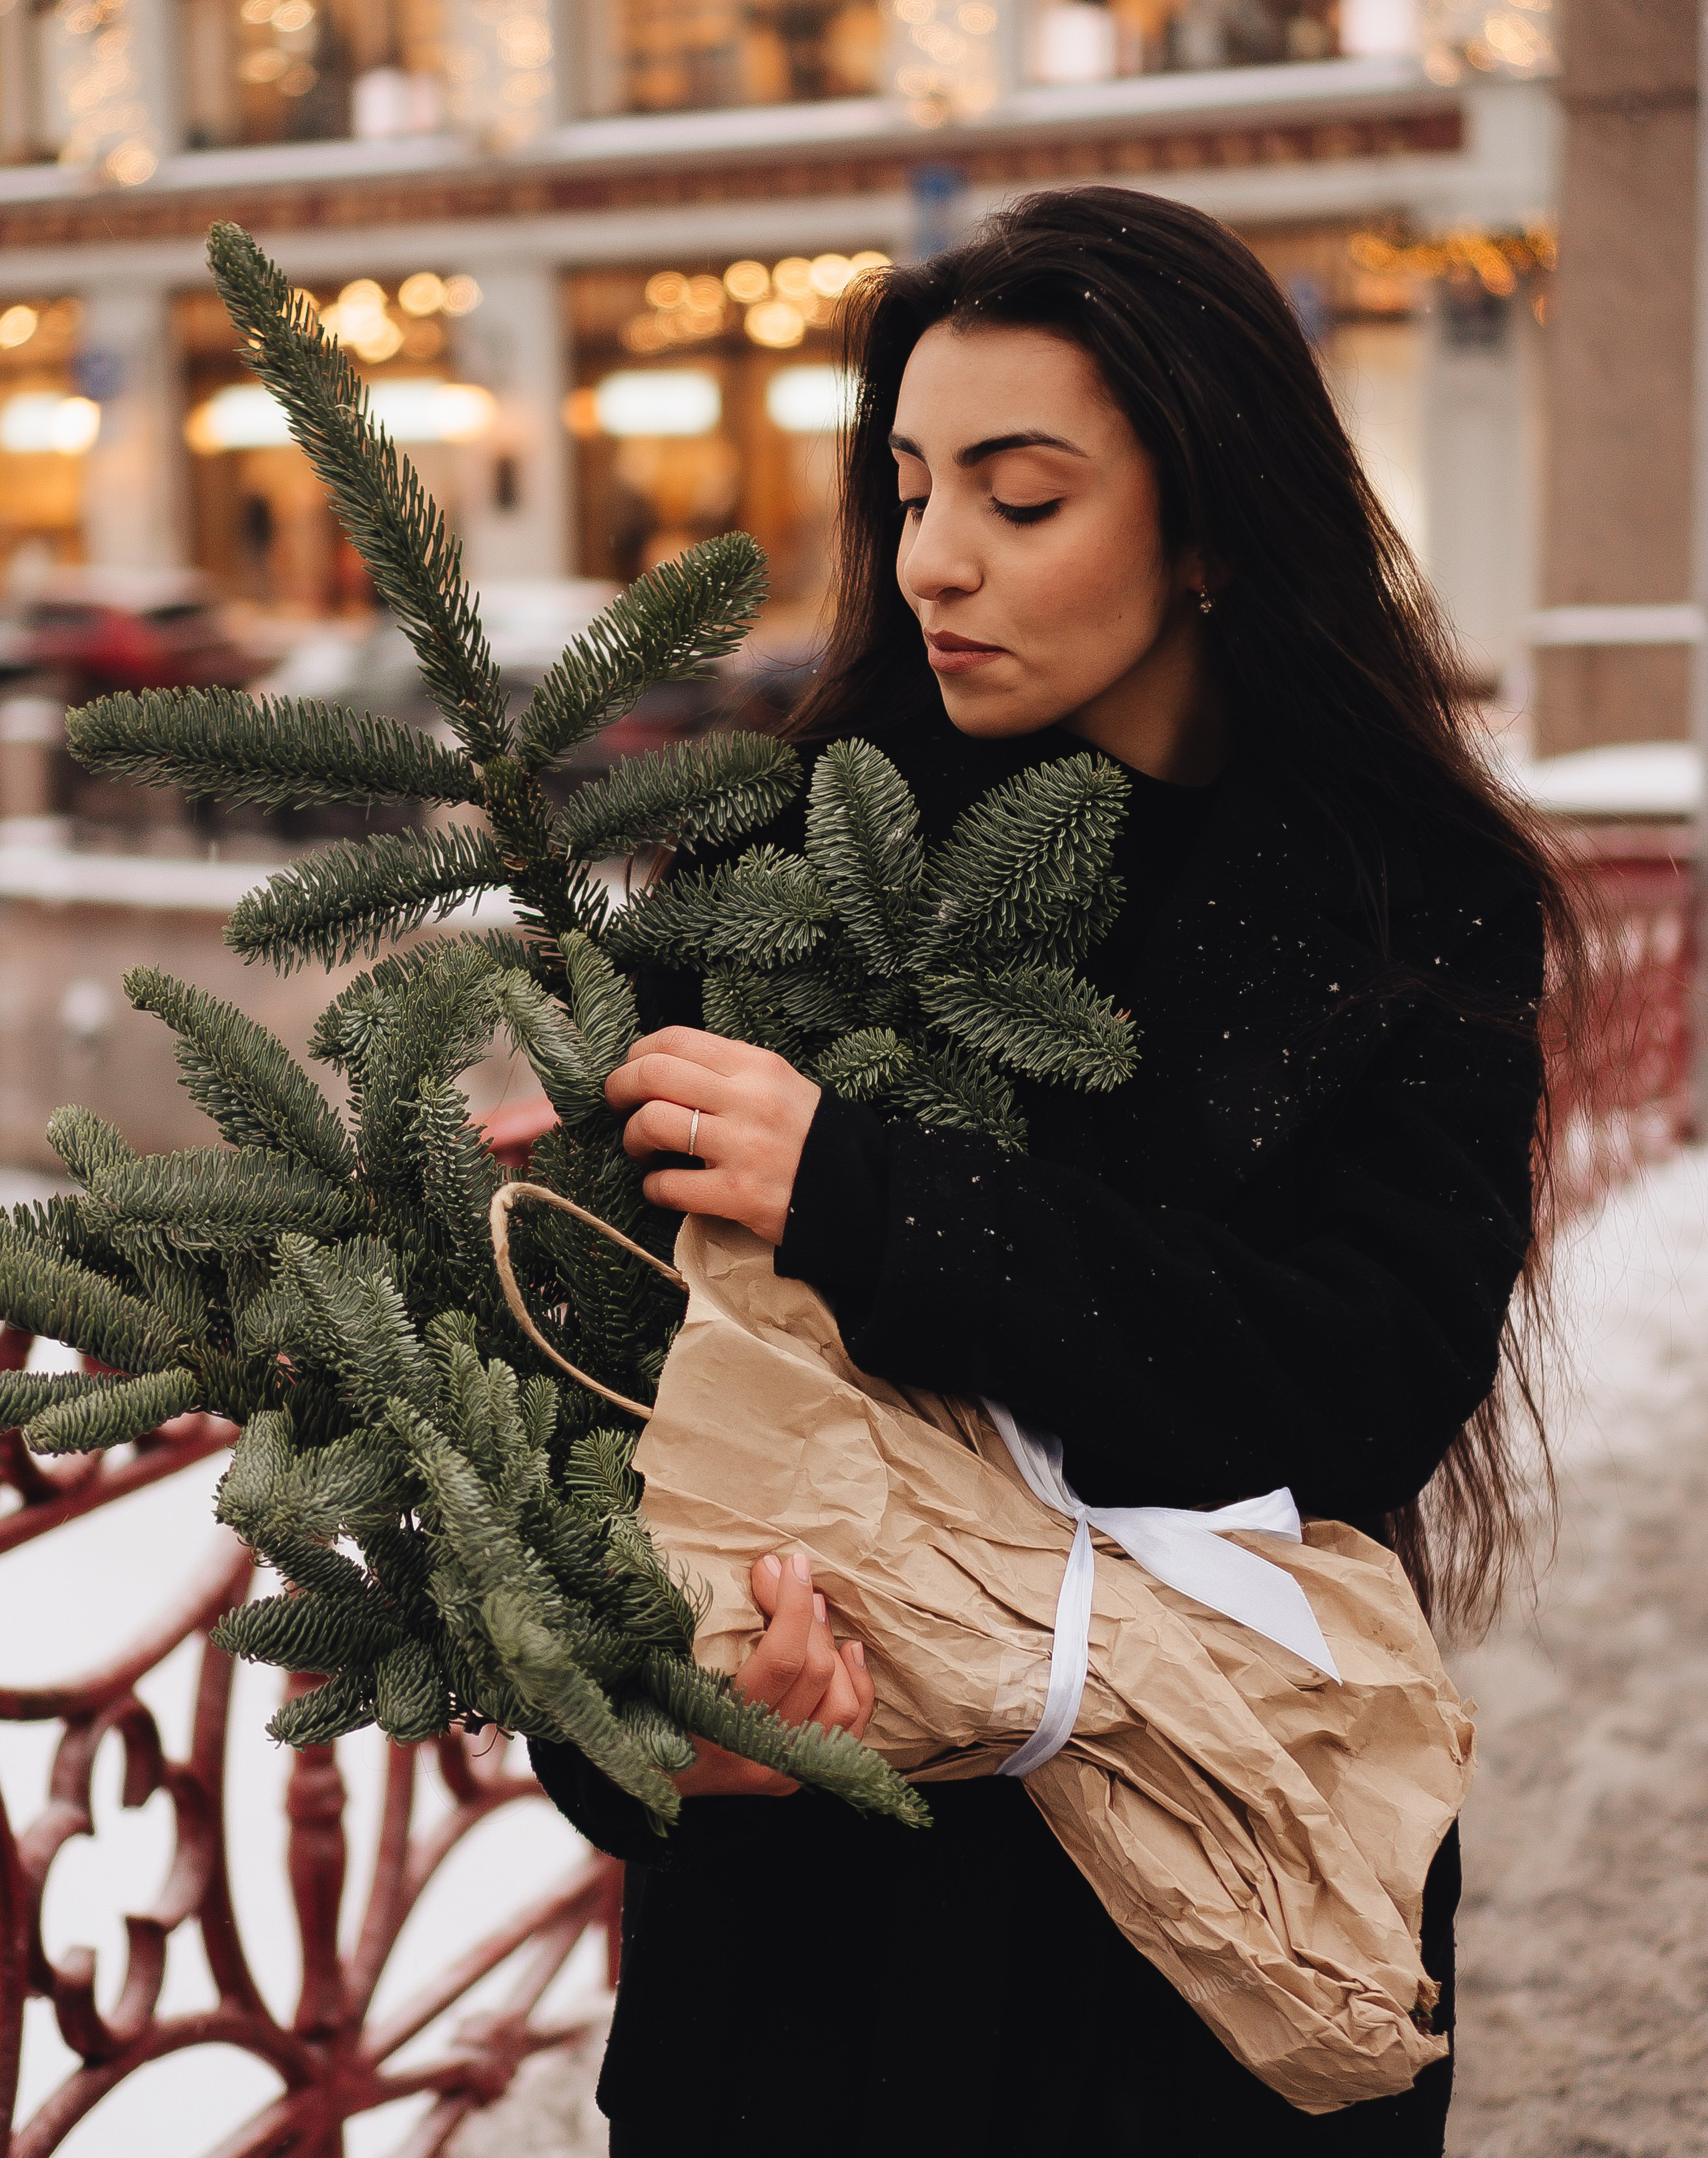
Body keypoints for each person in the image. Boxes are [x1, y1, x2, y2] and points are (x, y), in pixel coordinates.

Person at [531, 187, 1571, 2153]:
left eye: (1022, 499)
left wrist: (870, 1195)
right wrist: (643, 1733)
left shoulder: (1396, 895)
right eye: (911, 490)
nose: (936, 561)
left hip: (1210, 1935)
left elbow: (1367, 1383)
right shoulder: (778, 858)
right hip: (804, 1965)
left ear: (1208, 524)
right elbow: (576, 1416)